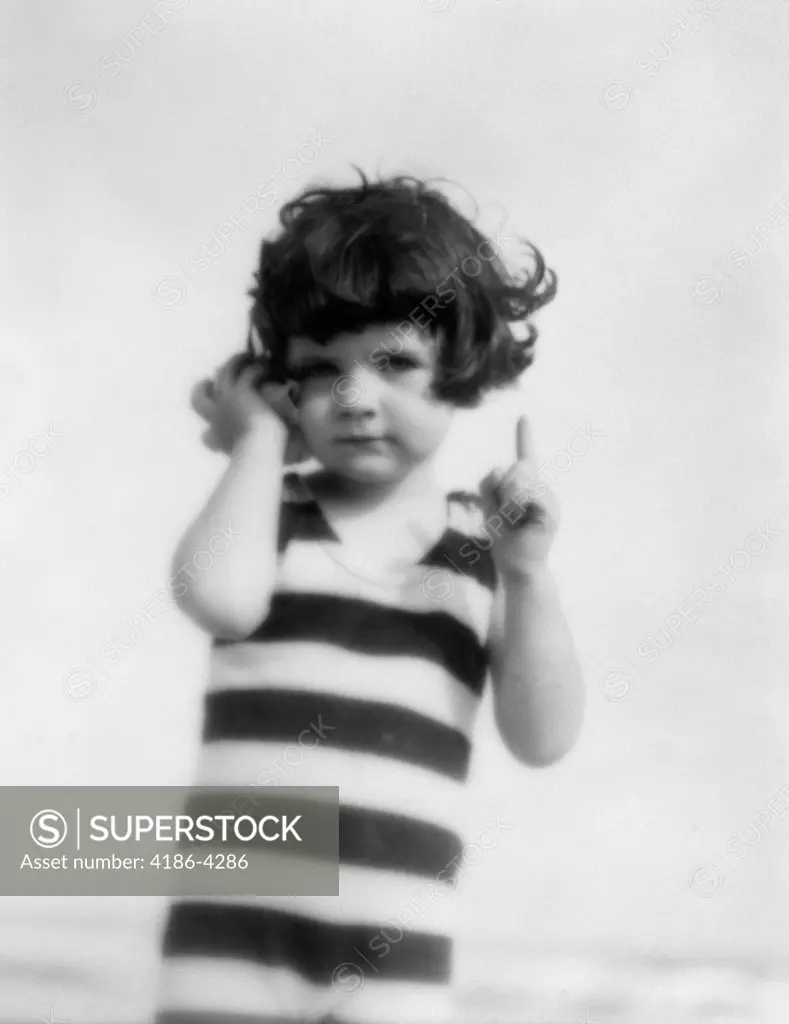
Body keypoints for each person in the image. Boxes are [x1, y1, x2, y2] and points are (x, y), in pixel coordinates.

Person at [153, 171, 585, 1024]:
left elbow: (542, 738)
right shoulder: (267, 516)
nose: (353, 399)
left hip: (393, 962)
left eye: (394, 362)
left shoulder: (481, 550)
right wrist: (255, 443)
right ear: (281, 383)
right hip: (231, 948)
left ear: (461, 370)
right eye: (319, 370)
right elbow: (220, 603)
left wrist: (528, 571)